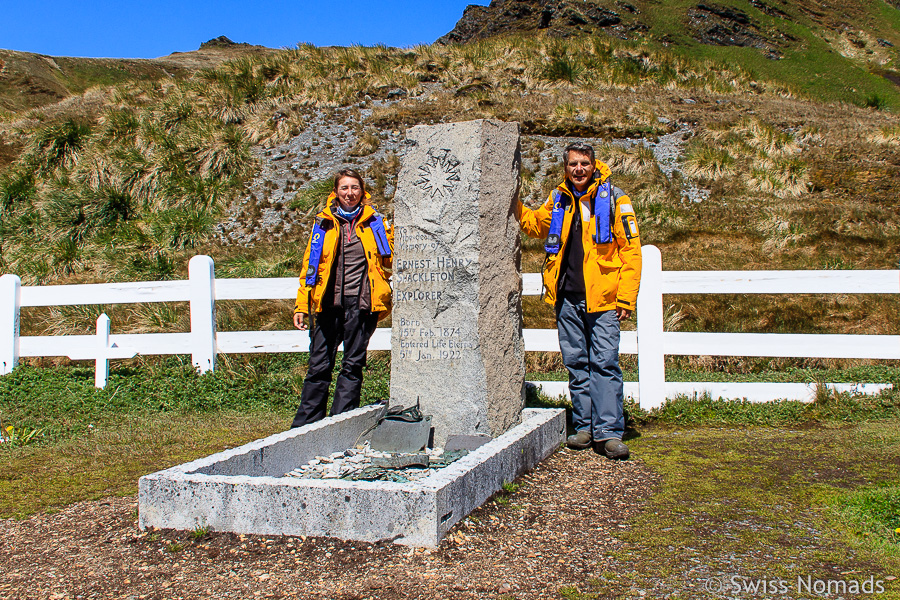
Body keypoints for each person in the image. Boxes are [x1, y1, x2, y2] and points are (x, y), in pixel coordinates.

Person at [517, 142, 642, 459]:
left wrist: (626, 298)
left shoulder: (615, 198)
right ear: (565, 167)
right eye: (573, 164)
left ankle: (609, 433)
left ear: (594, 164)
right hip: (567, 299)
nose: (578, 169)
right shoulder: (558, 198)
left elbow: (631, 251)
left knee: (605, 363)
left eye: (584, 163)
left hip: (603, 300)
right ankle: (584, 427)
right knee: (577, 364)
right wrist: (512, 203)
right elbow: (535, 225)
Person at [291, 169, 393, 427]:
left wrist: (395, 233)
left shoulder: (375, 222)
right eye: (344, 188)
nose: (350, 193)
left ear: (363, 191)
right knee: (318, 367)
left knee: (353, 365)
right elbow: (309, 268)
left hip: (362, 304)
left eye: (355, 188)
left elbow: (389, 259)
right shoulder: (323, 223)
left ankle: (340, 425)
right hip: (327, 305)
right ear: (336, 191)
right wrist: (302, 305)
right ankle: (305, 427)